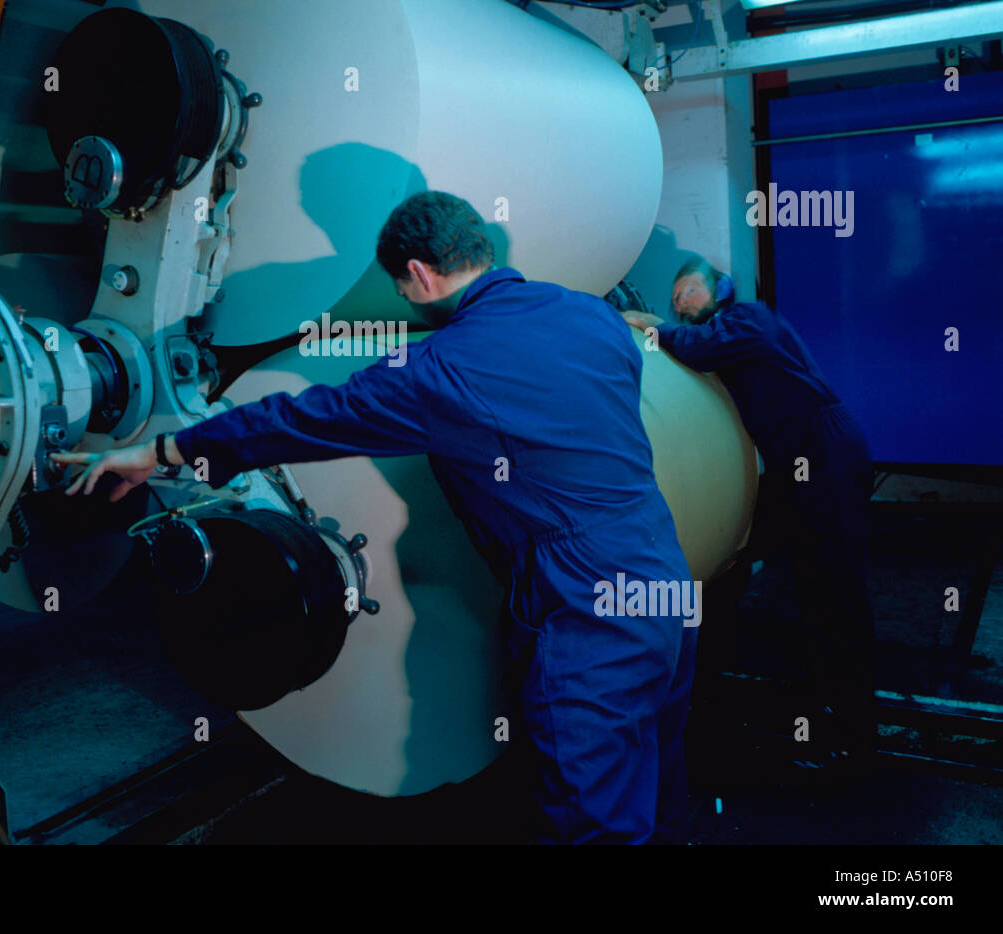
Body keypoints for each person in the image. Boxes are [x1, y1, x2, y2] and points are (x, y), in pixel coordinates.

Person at [53, 191, 697, 843]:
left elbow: (304, 419)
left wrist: (163, 450)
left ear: (418, 275)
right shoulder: (591, 315)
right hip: (660, 566)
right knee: (655, 776)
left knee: (588, 817)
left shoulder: (441, 370)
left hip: (583, 601)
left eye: (399, 289)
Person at [623, 256, 875, 769]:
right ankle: (756, 682)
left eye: (688, 292)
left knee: (834, 589)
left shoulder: (747, 319)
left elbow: (694, 346)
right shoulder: (733, 333)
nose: (679, 304)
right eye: (673, 300)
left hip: (822, 455)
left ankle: (851, 732)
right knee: (777, 566)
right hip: (802, 462)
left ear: (722, 288)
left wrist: (653, 326)